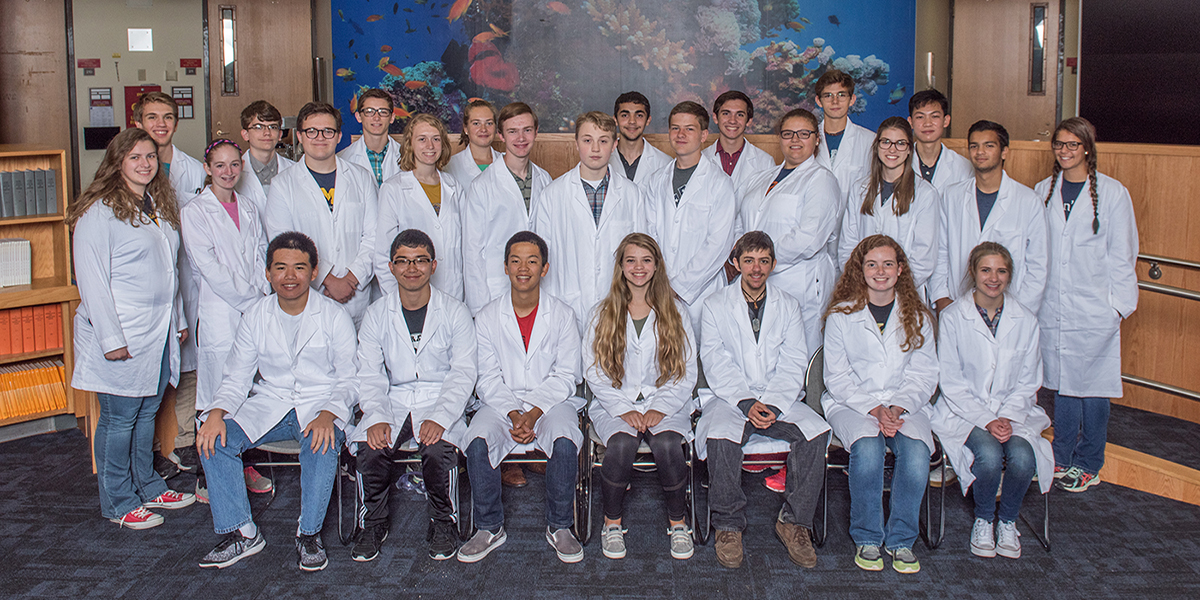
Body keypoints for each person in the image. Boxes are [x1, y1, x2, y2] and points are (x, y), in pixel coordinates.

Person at [195, 232, 357, 571]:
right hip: (270, 404)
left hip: (319, 404)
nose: (289, 276)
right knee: (213, 437)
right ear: (268, 273)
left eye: (299, 268)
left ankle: (308, 534)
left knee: (321, 442)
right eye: (280, 268)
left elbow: (350, 378)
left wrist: (329, 414)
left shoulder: (334, 316)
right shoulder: (255, 315)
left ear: (314, 272)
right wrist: (215, 413)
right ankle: (242, 532)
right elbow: (236, 377)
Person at [69, 127, 196, 530]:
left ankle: (147, 485)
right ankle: (118, 500)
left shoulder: (157, 204)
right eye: (135, 157)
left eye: (149, 157)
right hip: (120, 331)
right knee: (120, 417)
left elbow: (169, 272)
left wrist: (176, 321)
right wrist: (111, 340)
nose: (144, 164)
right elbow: (92, 282)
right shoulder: (99, 211)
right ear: (117, 162)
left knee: (146, 413)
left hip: (157, 329)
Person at [696, 231, 830, 570]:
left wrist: (773, 403)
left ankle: (795, 522)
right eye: (749, 260)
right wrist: (744, 402)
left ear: (772, 264)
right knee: (721, 436)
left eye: (764, 261)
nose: (756, 268)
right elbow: (714, 359)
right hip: (730, 397)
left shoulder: (788, 304)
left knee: (816, 432)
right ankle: (728, 525)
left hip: (777, 395)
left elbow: (794, 359)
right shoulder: (715, 305)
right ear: (736, 262)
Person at [459, 231, 586, 564]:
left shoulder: (562, 314)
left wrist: (533, 412)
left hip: (551, 402)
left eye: (532, 261)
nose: (523, 268)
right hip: (501, 402)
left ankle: (560, 526)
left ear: (544, 268)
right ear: (505, 267)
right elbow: (485, 377)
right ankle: (488, 527)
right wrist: (515, 413)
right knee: (476, 439)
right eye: (515, 260)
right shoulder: (486, 316)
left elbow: (567, 374)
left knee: (564, 439)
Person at [351, 229, 478, 562]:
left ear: (433, 265)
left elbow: (463, 372)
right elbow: (369, 373)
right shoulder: (377, 314)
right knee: (370, 448)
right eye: (403, 261)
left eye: (420, 260)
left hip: (438, 398)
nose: (412, 268)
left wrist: (441, 415)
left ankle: (443, 522)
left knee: (438, 451)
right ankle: (373, 523)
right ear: (391, 267)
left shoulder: (455, 311)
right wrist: (376, 416)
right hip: (393, 399)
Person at [1033, 117, 1139, 493]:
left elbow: (1123, 254)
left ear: (1087, 149)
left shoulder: (1112, 193)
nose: (1065, 151)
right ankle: (1061, 456)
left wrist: (1117, 308)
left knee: (1091, 387)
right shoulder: (1043, 189)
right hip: (1053, 306)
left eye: (1072, 145)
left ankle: (1090, 461)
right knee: (1061, 384)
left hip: (1094, 308)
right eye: (1059, 145)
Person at [822, 235, 938, 574]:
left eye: (888, 263)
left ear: (900, 269)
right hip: (852, 403)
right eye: (872, 264)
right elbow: (837, 376)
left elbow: (924, 373)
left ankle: (901, 540)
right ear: (860, 270)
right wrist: (875, 410)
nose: (880, 271)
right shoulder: (842, 315)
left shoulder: (918, 316)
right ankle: (868, 537)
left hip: (905, 405)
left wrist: (897, 408)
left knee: (917, 454)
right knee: (869, 450)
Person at [931, 242, 1053, 560]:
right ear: (973, 272)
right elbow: (952, 381)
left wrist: (1008, 416)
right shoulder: (954, 317)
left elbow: (1029, 380)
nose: (993, 278)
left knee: (1024, 459)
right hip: (966, 411)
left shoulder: (1025, 320)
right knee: (986, 455)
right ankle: (984, 519)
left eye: (1001, 270)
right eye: (986, 269)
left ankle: (1008, 523)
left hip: (1013, 413)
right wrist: (987, 419)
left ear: (1010, 275)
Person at [584, 233, 698, 561]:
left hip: (665, 400)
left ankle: (678, 524)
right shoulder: (600, 312)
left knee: (665, 445)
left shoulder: (676, 312)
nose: (638, 267)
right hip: (614, 402)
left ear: (657, 266)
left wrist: (661, 407)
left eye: (646, 260)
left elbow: (686, 371)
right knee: (620, 445)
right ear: (620, 266)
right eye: (631, 260)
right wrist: (622, 409)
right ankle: (612, 523)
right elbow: (593, 371)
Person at [181, 139, 273, 503]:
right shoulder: (196, 211)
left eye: (234, 165)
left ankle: (242, 462)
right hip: (221, 313)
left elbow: (261, 258)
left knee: (248, 392)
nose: (228, 172)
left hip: (253, 306)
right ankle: (209, 475)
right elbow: (211, 269)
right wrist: (253, 300)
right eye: (220, 165)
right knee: (216, 392)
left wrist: (261, 295)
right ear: (207, 168)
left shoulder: (248, 207)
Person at [133, 91, 204, 478]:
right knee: (152, 373)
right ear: (138, 122)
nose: (160, 124)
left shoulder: (192, 170)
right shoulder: (125, 171)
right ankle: (152, 454)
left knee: (189, 366)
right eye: (151, 117)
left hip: (187, 279)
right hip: (148, 288)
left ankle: (184, 442)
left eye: (167, 117)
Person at [264, 101, 378, 326]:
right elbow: (285, 244)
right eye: (311, 131)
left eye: (328, 131)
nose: (320, 137)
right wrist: (329, 279)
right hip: (312, 293)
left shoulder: (362, 178)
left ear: (338, 136)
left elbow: (375, 236)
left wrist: (352, 278)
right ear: (300, 136)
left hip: (357, 295)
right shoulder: (282, 185)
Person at [739, 108, 841, 357]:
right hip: (758, 281)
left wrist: (757, 261)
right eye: (788, 133)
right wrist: (747, 259)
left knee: (797, 355)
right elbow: (741, 222)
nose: (795, 140)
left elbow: (809, 237)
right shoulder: (762, 177)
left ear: (817, 139)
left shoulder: (821, 180)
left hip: (798, 281)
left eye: (803, 133)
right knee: (763, 355)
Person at [534, 111, 647, 328]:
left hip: (618, 304)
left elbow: (640, 254)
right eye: (587, 140)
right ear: (576, 143)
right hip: (567, 305)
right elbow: (544, 257)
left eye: (603, 141)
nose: (595, 149)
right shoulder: (552, 194)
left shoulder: (632, 195)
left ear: (614, 144)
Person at [932, 120, 1048, 314]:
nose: (980, 152)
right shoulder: (952, 196)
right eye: (974, 146)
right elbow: (941, 251)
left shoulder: (1029, 200)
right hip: (958, 305)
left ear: (1004, 152)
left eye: (989, 146)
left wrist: (1020, 312)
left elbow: (1038, 265)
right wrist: (941, 297)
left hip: (1011, 308)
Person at [644, 101, 738, 330]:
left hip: (701, 292)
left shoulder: (719, 183)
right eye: (675, 128)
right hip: (659, 287)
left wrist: (678, 287)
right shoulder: (656, 180)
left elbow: (718, 244)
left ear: (704, 135)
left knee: (701, 358)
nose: (681, 134)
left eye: (689, 128)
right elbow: (649, 233)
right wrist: (659, 282)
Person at [461, 102, 552, 314]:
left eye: (527, 130)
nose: (521, 138)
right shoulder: (481, 185)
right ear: (501, 136)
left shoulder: (545, 179)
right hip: (495, 292)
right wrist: (479, 309)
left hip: (537, 290)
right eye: (512, 131)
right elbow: (472, 252)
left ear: (536, 132)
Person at [838, 117, 940, 294]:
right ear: (877, 146)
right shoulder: (860, 189)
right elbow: (848, 245)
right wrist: (862, 281)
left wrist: (889, 288)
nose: (892, 149)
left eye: (900, 143)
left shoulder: (925, 194)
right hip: (862, 289)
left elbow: (923, 257)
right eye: (886, 142)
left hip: (904, 292)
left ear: (909, 149)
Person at [376, 114, 465, 300]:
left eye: (436, 139)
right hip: (410, 296)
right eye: (422, 139)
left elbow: (466, 246)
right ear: (410, 144)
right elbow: (383, 253)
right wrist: (398, 301)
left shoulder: (454, 187)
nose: (430, 146)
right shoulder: (393, 189)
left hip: (453, 292)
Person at [812, 70, 874, 195]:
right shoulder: (807, 138)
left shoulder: (870, 140)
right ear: (819, 101)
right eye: (828, 95)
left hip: (854, 214)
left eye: (841, 95)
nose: (835, 101)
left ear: (852, 99)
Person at [701, 90, 777, 193]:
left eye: (740, 115)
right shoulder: (701, 159)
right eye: (726, 113)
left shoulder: (766, 162)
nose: (732, 120)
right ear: (715, 118)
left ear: (749, 121)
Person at [237, 100, 297, 216]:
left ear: (280, 135)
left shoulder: (295, 171)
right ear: (245, 134)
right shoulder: (233, 174)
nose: (267, 133)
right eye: (259, 127)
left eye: (273, 127)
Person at [907, 89, 972, 195]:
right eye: (920, 117)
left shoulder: (964, 167)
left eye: (934, 116)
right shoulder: (900, 162)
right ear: (911, 122)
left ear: (946, 121)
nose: (927, 123)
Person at [338, 88, 401, 186]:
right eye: (369, 111)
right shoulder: (342, 159)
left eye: (383, 111)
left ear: (392, 117)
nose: (376, 117)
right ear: (358, 117)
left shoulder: (407, 157)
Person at [609, 91, 672, 186]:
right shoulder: (603, 159)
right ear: (615, 120)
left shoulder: (665, 163)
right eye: (625, 115)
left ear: (648, 120)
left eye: (639, 115)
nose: (632, 121)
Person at [445, 99, 502, 186]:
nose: (483, 129)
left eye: (489, 123)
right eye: (476, 123)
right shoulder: (450, 166)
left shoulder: (506, 163)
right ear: (466, 129)